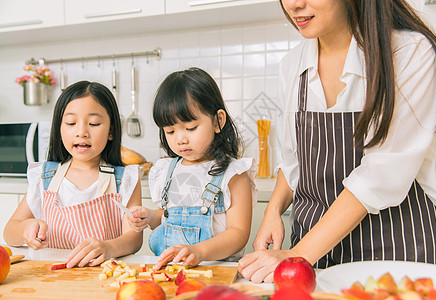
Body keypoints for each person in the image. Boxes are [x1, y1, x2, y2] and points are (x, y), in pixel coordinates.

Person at [238, 0, 436, 283]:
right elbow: (292, 163)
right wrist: (273, 211)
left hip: (398, 251)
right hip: (319, 257)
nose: (294, 4)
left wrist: (298, 255)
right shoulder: (292, 65)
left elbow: (379, 175)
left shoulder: (409, 53)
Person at [126, 67, 256, 270]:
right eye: (170, 131)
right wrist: (149, 217)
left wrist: (200, 251)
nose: (180, 139)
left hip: (217, 272)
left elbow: (238, 233)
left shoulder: (233, 173)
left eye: (190, 128)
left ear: (217, 121)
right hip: (171, 272)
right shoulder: (167, 170)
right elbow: (166, 215)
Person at [3, 81, 143, 268]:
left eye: (93, 123)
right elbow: (9, 232)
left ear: (110, 131)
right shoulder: (45, 177)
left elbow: (134, 239)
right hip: (51, 278)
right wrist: (25, 230)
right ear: (59, 129)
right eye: (71, 123)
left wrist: (109, 248)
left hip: (103, 276)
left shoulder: (125, 178)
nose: (81, 132)